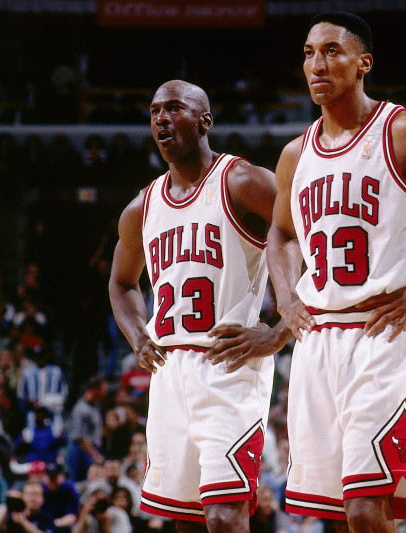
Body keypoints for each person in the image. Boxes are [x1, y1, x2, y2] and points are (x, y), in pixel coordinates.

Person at [266, 11, 406, 532]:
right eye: (308, 53)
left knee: (367, 505)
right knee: (335, 512)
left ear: (363, 63)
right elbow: (280, 235)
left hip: (385, 329)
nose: (317, 63)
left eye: (331, 51)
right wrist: (285, 295)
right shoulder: (293, 155)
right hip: (317, 338)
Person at [108, 80, 292, 532]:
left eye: (173, 108)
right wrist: (137, 335)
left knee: (225, 516)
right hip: (170, 371)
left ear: (204, 120)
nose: (160, 119)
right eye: (153, 111)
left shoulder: (242, 180)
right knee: (185, 520)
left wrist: (279, 330)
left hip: (229, 368)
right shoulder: (141, 207)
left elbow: (311, 238)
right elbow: (120, 282)